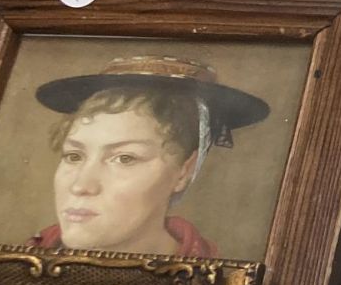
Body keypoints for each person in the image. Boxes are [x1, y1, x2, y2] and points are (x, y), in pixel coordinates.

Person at [28, 56, 270, 259]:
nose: (81, 186)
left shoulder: (216, 279)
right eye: (73, 156)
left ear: (184, 171)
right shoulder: (22, 261)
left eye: (125, 158)